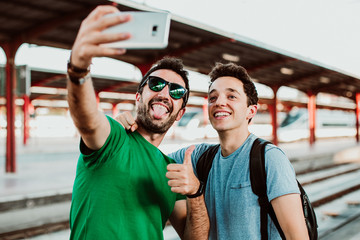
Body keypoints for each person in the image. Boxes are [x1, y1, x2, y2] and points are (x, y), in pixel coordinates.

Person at [118, 62, 309, 239]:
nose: (219, 102)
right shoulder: (199, 157)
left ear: (251, 111)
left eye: (231, 96)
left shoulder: (269, 158)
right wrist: (123, 129)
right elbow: (151, 156)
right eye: (213, 97)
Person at [66, 5, 209, 240]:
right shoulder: (113, 137)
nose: (164, 93)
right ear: (138, 96)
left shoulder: (170, 169)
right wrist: (78, 70)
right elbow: (87, 120)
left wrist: (196, 191)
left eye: (176, 91)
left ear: (180, 113)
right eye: (155, 84)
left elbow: (196, 238)